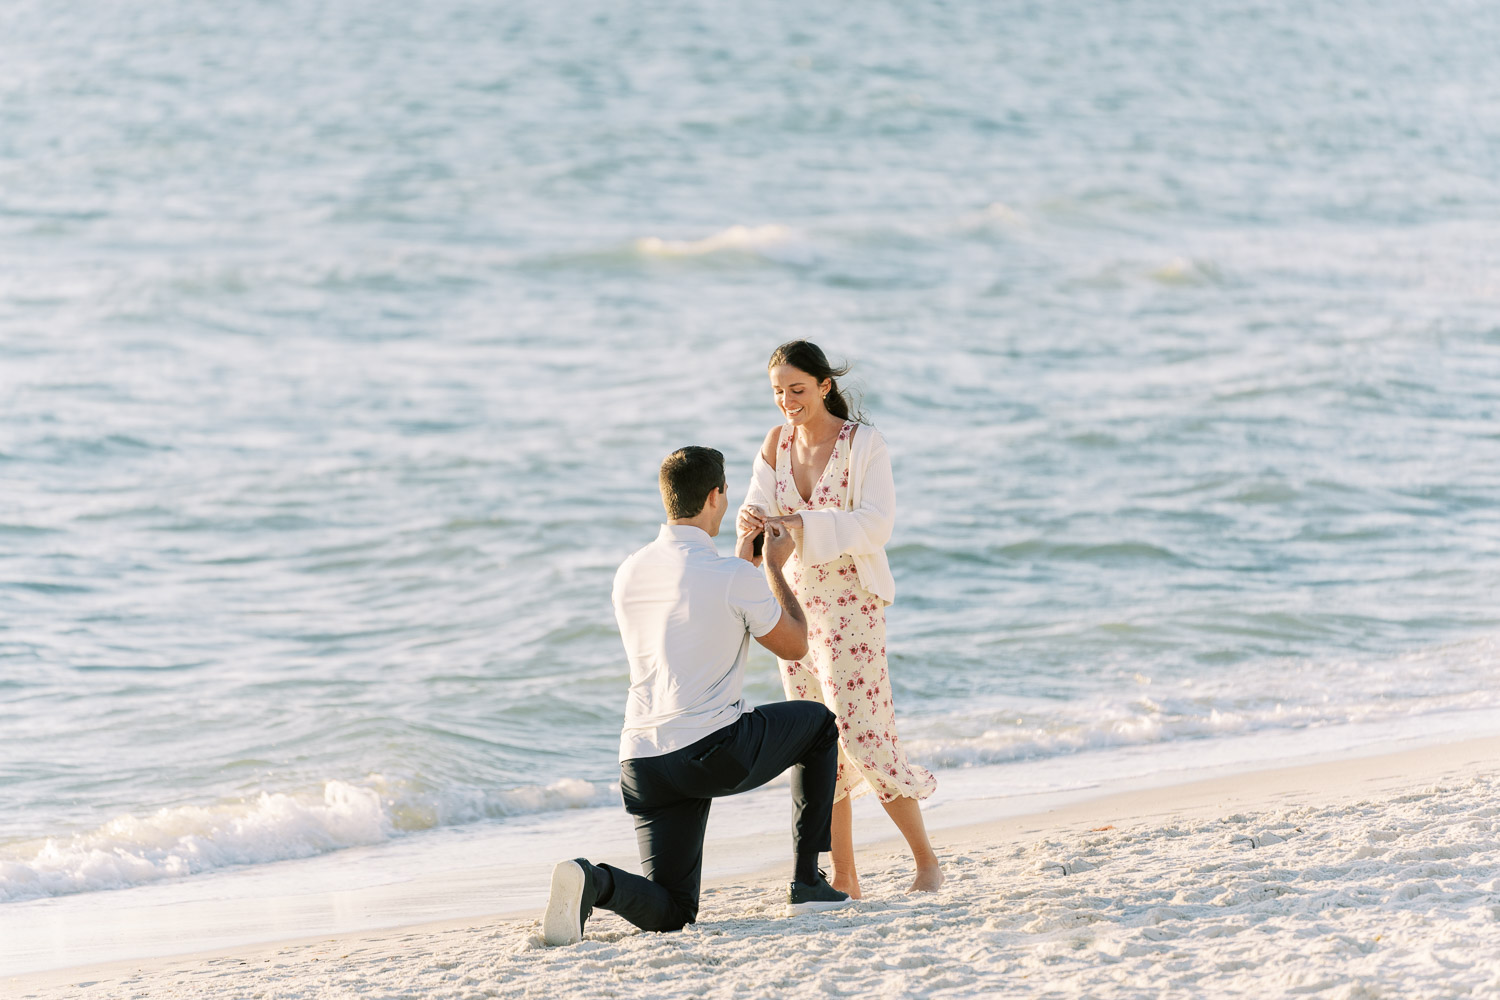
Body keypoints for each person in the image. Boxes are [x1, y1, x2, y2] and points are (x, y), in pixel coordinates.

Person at [542, 445, 851, 947]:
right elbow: (795, 645)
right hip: (711, 753)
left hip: (641, 763)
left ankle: (593, 881)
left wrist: (741, 570)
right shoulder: (734, 578)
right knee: (818, 724)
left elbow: (691, 614)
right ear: (717, 497)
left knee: (675, 912)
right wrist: (769, 568)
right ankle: (808, 881)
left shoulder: (629, 572)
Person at [737, 341, 943, 899]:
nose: (787, 402)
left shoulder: (863, 444)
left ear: (825, 386)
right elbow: (757, 508)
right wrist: (752, 526)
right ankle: (846, 877)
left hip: (852, 602)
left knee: (863, 733)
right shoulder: (775, 443)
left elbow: (876, 525)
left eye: (797, 390)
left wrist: (800, 525)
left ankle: (927, 863)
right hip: (793, 602)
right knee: (817, 740)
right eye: (778, 392)